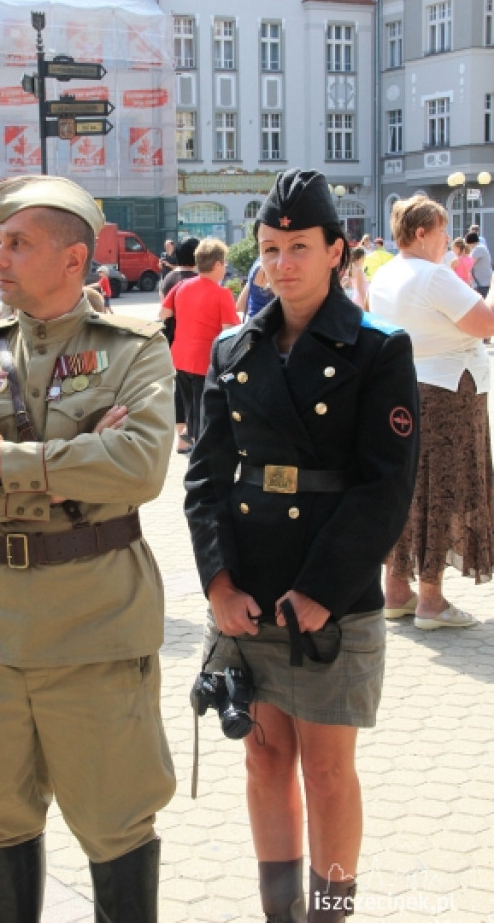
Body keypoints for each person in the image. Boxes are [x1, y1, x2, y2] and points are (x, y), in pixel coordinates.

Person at [0, 174, 176, 923]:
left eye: (16, 243)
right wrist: (78, 458)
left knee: (116, 822)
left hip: (95, 626)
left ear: (72, 258)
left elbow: (141, 467)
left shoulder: (133, 352)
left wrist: (2, 463)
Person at [184, 169, 419, 922]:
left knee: (326, 770)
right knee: (263, 757)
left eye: (299, 248)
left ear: (336, 251)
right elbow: (205, 479)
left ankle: (329, 913)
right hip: (250, 593)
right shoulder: (233, 349)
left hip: (329, 593)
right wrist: (218, 584)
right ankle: (278, 911)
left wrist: (322, 589)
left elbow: (386, 486)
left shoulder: (378, 348)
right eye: (270, 248)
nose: (282, 264)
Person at [369, 194, 494, 629]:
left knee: (409, 489)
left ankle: (397, 591)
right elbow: (485, 324)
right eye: (442, 230)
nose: (446, 238)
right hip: (448, 391)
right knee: (442, 491)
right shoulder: (433, 277)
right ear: (421, 233)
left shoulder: (386, 273)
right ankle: (432, 601)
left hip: (405, 387)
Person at [160, 238, 240, 447]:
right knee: (204, 410)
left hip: (180, 356)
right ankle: (200, 449)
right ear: (217, 264)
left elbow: (164, 313)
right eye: (225, 264)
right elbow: (229, 332)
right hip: (205, 359)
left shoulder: (181, 286)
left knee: (190, 406)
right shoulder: (222, 294)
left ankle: (193, 441)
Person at [158, 237, 199, 454]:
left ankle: (181, 439)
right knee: (198, 389)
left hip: (173, 340)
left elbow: (163, 311)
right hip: (196, 341)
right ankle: (194, 434)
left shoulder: (168, 279)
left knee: (180, 390)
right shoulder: (199, 280)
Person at [465, 228, 492, 298]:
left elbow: (468, 264)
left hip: (482, 284)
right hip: (481, 283)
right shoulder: (480, 248)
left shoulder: (478, 249)